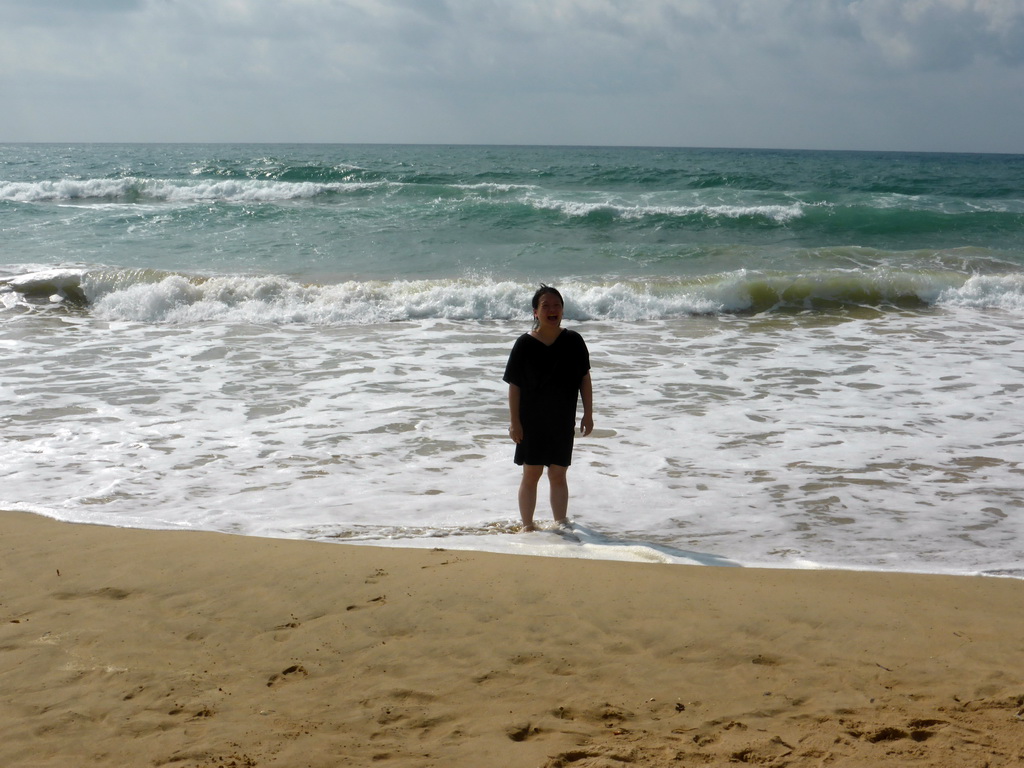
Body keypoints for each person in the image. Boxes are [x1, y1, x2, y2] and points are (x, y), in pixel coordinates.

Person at [503, 285, 593, 532]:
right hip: (531, 420)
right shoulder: (524, 344)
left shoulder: (573, 341)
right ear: (535, 312)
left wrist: (588, 413)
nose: (552, 310)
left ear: (562, 310)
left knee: (558, 474)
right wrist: (515, 422)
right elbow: (514, 385)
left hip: (562, 419)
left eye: (557, 305)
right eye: (546, 306)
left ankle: (561, 524)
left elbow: (584, 378)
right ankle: (527, 526)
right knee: (531, 474)